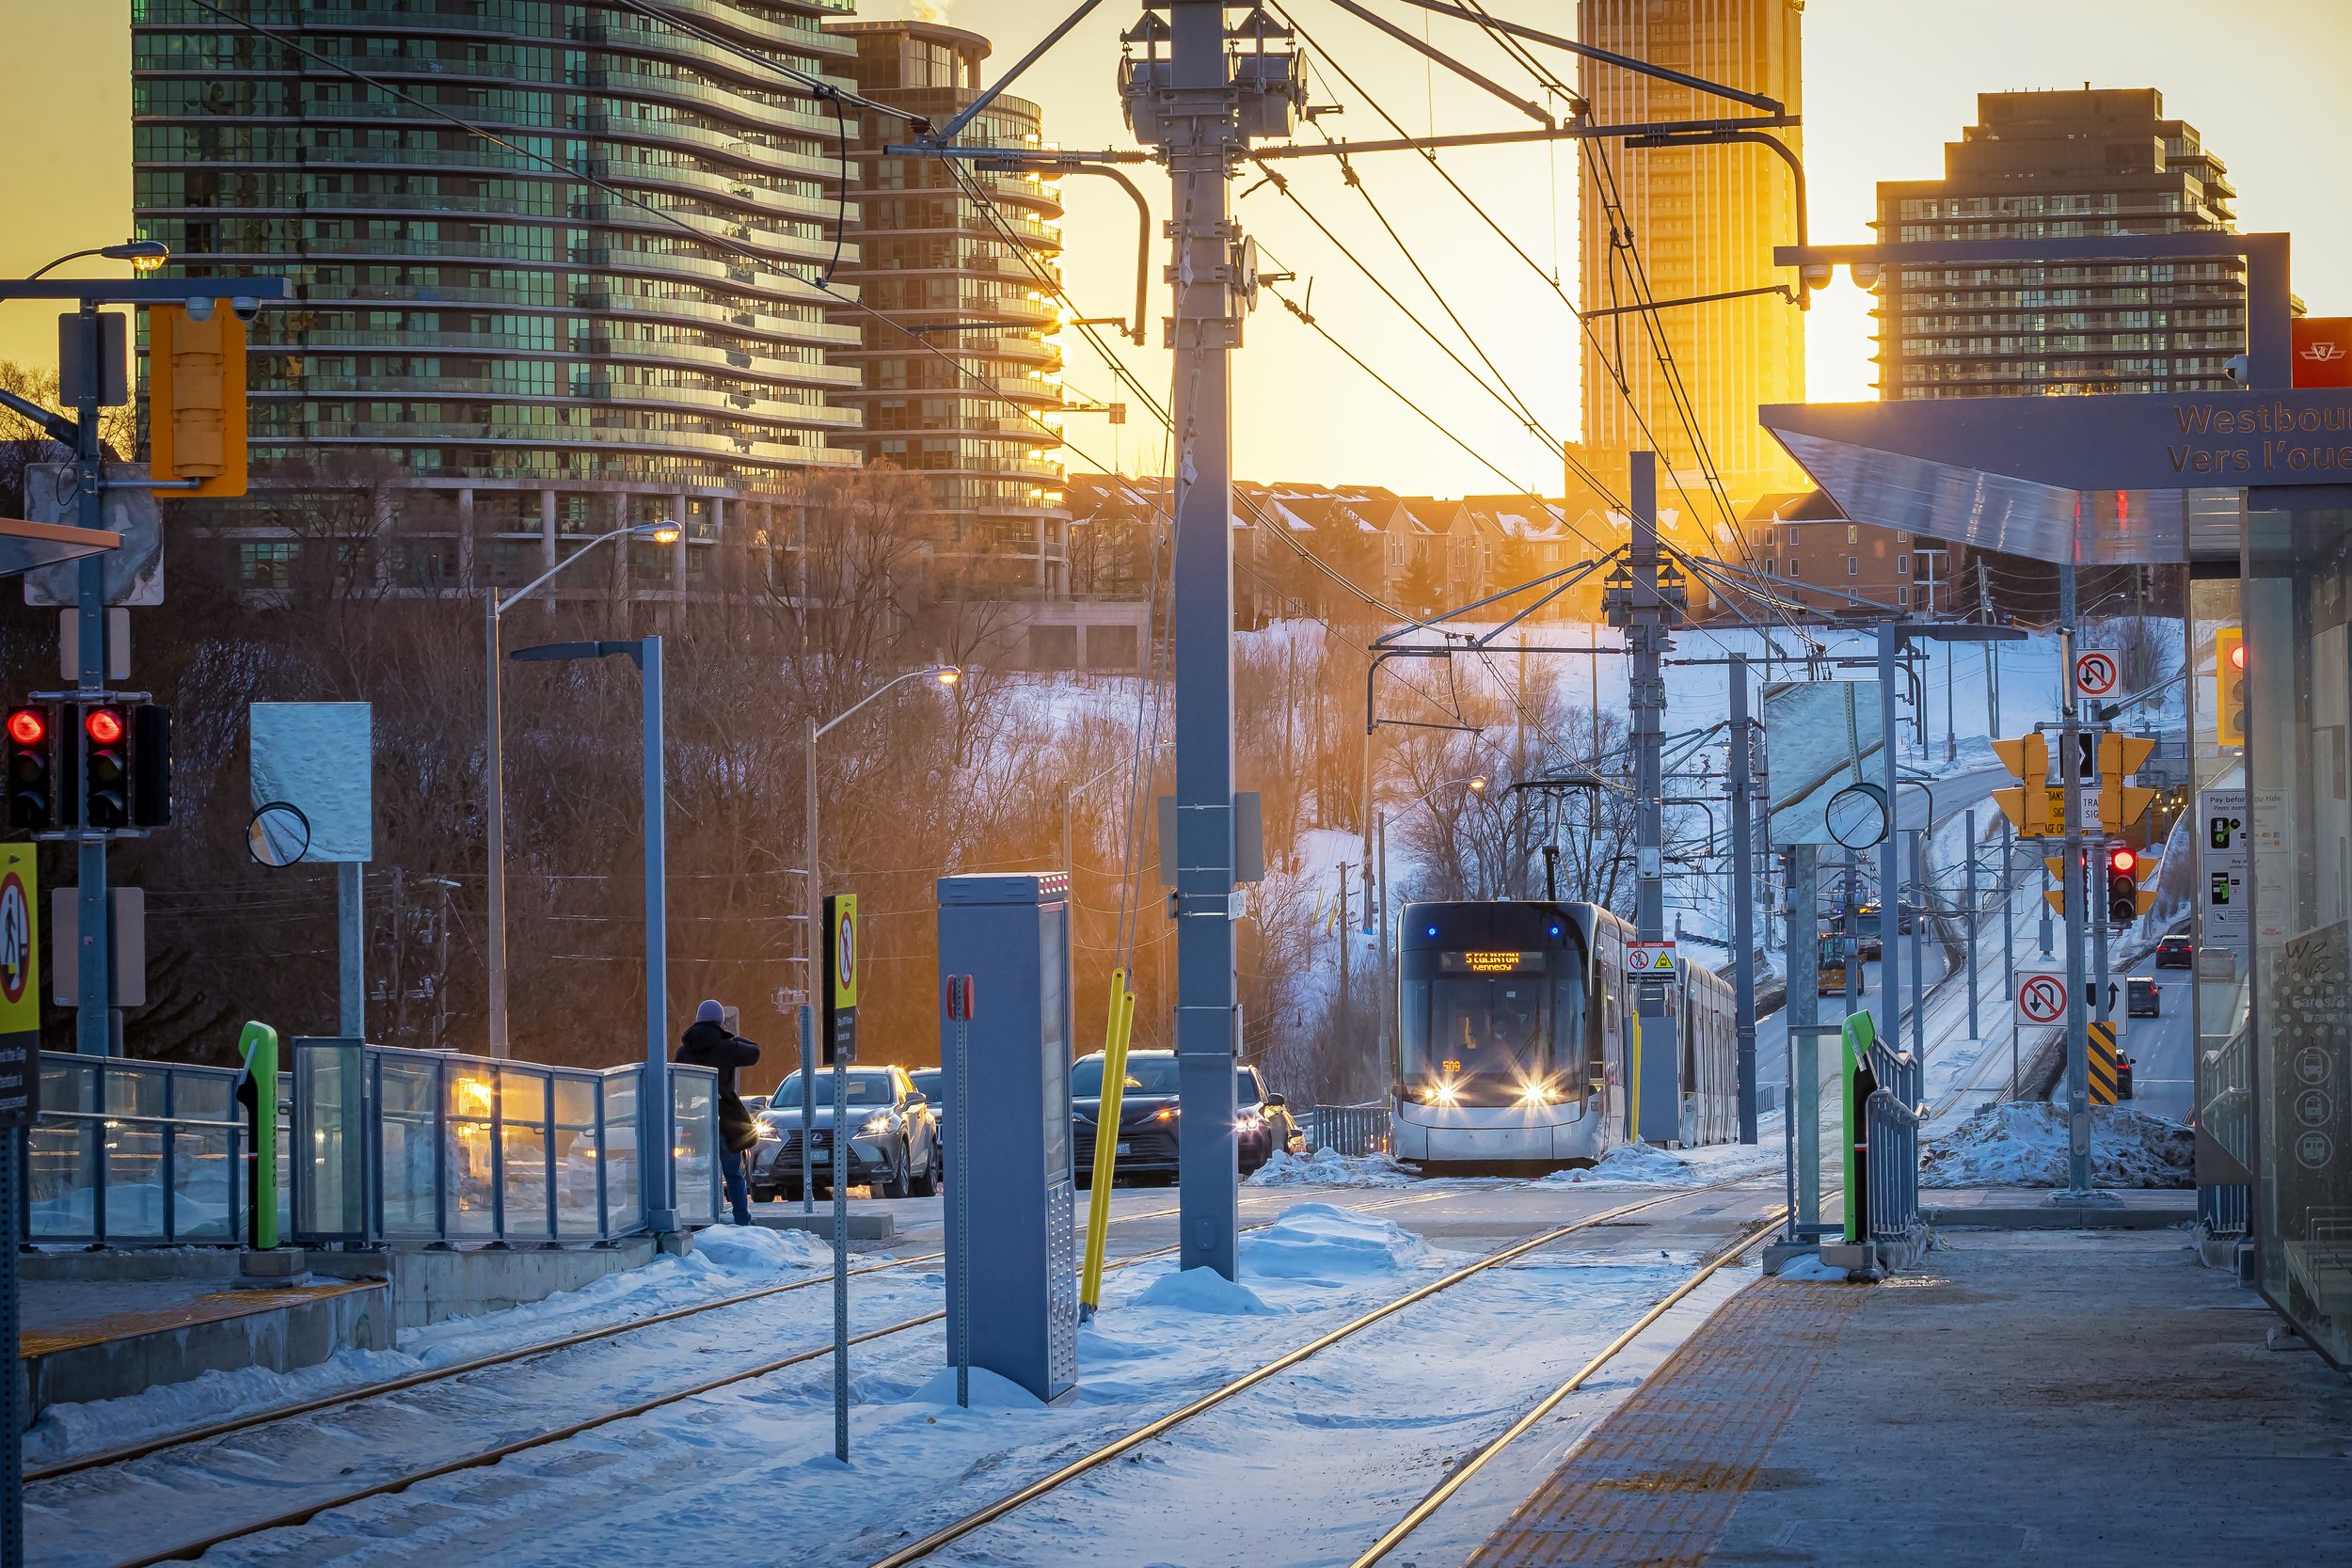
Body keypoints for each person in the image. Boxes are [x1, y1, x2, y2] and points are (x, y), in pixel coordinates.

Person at [679, 999, 761, 1225]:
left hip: (692, 1120)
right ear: (720, 1021)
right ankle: (741, 1218)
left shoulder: (683, 1051)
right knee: (732, 1172)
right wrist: (734, 1038)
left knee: (698, 1173)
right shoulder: (727, 1047)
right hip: (723, 1117)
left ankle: (700, 1217)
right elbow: (754, 1053)